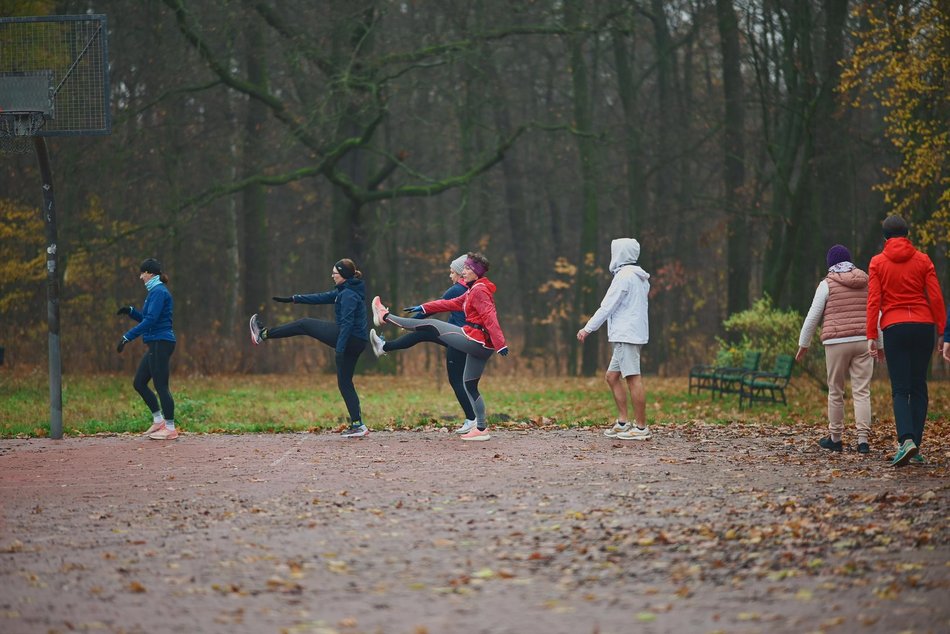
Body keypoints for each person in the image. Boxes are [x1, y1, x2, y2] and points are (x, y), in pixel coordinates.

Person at [371, 252, 508, 441]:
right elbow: (450, 303)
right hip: (480, 345)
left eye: (467, 269)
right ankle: (481, 428)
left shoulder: (479, 290)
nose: (463, 272)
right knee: (469, 385)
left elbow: (490, 317)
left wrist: (501, 344)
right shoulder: (472, 290)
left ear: (476, 273)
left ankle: (385, 316)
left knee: (432, 326)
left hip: (476, 340)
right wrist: (424, 308)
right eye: (464, 268)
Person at [249, 258, 370, 438]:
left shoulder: (348, 295)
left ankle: (263, 334)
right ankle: (358, 425)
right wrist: (294, 299)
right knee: (344, 383)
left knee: (304, 324)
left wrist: (339, 349)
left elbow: (346, 324)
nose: (332, 275)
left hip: (350, 338)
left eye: (334, 273)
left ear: (343, 275)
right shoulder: (345, 290)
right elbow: (320, 297)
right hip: (357, 341)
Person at [866, 215, 946, 467]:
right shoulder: (923, 259)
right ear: (908, 234)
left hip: (894, 327)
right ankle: (915, 446)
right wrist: (944, 332)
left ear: (885, 238)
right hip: (924, 326)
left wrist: (871, 335)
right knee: (919, 385)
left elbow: (873, 301)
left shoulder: (877, 262)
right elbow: (935, 297)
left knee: (900, 389)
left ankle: (907, 441)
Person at [796, 245, 876, 454]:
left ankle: (836, 438)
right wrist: (880, 344)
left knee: (835, 390)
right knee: (862, 391)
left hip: (836, 342)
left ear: (830, 263)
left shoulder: (827, 283)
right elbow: (877, 311)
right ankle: (863, 441)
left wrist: (803, 344)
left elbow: (813, 316)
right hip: (862, 340)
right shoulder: (866, 281)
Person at [576, 238, 651, 441]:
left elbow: (607, 306)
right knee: (612, 377)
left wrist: (587, 328)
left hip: (627, 335)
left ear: (620, 254)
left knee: (633, 378)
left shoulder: (625, 277)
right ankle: (623, 422)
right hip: (626, 334)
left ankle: (642, 427)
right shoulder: (638, 277)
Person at [116, 258, 178, 440]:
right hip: (155, 342)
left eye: (143, 272)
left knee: (161, 385)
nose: (140, 276)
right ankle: (159, 421)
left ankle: (170, 428)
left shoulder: (158, 292)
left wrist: (128, 336)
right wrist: (131, 311)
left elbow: (150, 321)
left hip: (161, 342)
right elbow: (148, 318)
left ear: (150, 273)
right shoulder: (154, 292)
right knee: (139, 383)